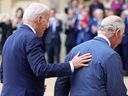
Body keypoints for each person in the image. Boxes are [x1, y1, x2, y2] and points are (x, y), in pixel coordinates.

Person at [0, 3, 92, 96]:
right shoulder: (31, 38)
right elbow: (40, 69)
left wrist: (33, 85)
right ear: (39, 19)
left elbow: (3, 75)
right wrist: (71, 65)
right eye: (47, 20)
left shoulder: (10, 38)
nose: (47, 25)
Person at [55, 15, 127, 96]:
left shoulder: (75, 50)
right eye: (122, 36)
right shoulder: (111, 55)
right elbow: (117, 91)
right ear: (117, 33)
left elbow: (61, 84)